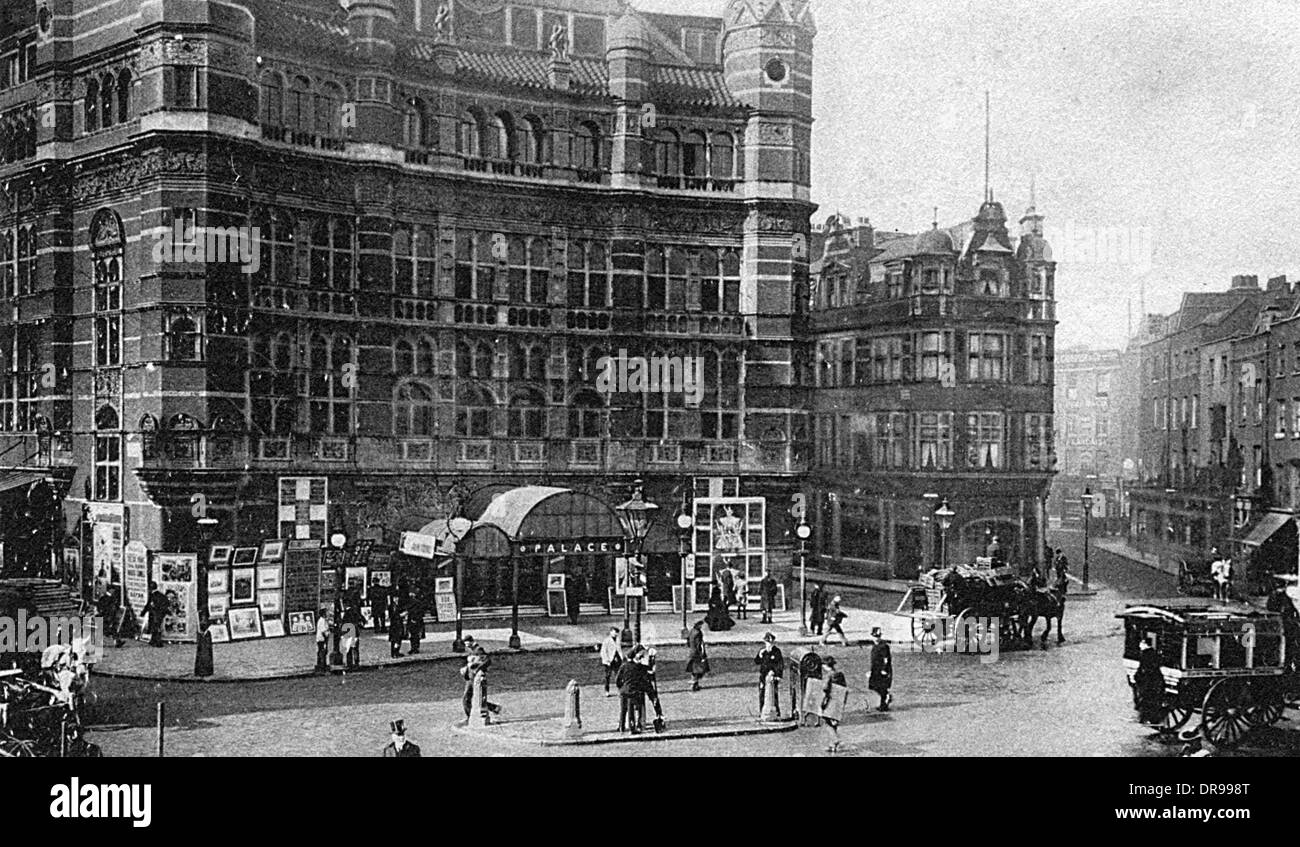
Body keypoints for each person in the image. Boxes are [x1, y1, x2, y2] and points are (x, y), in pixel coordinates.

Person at [460, 635, 503, 720]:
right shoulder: (472, 650)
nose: (467, 647)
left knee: (467, 699)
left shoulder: (478, 650)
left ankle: (470, 717)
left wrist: (477, 669)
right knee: (474, 698)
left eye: (468, 644)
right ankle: (493, 707)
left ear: (472, 642)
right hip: (470, 678)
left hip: (475, 678)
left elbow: (487, 661)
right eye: (466, 645)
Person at [1133, 638, 1166, 726]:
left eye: (1141, 643)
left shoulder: (1146, 654)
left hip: (1150, 682)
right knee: (1148, 699)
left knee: (1148, 699)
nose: (1140, 645)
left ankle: (1148, 718)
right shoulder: (1150, 654)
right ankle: (1146, 718)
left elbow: (1146, 669)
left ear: (1145, 644)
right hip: (1151, 681)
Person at [615, 645, 647, 734]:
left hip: (623, 691)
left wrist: (621, 687)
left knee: (623, 709)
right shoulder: (636, 667)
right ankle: (632, 728)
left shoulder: (623, 666)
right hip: (632, 691)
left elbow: (617, 680)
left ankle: (621, 726)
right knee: (631, 710)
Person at [820, 655, 848, 753]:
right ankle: (832, 745)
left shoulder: (828, 675)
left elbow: (825, 688)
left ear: (825, 666)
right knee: (834, 722)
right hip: (839, 701)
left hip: (829, 701)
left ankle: (835, 740)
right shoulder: (840, 674)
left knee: (827, 721)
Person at [754, 632, 784, 717]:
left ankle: (777, 713)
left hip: (772, 677)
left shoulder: (776, 652)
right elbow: (757, 662)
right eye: (767, 643)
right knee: (762, 693)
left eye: (770, 643)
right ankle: (762, 712)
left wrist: (778, 675)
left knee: (774, 694)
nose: (769, 644)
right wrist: (759, 655)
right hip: (763, 676)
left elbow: (780, 664)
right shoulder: (763, 652)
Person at [640, 645, 665, 732]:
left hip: (649, 680)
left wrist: (652, 669)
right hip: (643, 680)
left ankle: (659, 715)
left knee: (654, 698)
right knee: (640, 701)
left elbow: (653, 668)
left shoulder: (650, 656)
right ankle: (641, 720)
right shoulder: (641, 654)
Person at [868, 626, 892, 711]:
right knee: (873, 686)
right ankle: (886, 697)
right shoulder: (875, 645)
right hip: (875, 670)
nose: (876, 639)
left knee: (881, 686)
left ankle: (884, 705)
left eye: (878, 637)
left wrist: (884, 669)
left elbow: (886, 659)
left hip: (882, 670)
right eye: (875, 637)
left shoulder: (884, 646)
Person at [141, 581, 169, 647]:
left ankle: (158, 642)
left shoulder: (152, 596)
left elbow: (148, 605)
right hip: (160, 614)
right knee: (156, 627)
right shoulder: (161, 595)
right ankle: (153, 640)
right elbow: (166, 603)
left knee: (155, 628)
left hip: (154, 614)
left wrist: (143, 613)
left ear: (150, 589)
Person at [686, 619, 709, 691]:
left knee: (693, 669)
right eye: (700, 625)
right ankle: (694, 684)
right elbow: (700, 645)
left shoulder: (691, 631)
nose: (701, 626)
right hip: (697, 653)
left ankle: (694, 683)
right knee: (699, 669)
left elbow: (688, 642)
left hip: (692, 652)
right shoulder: (698, 633)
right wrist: (703, 655)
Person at [600, 626, 622, 697]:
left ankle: (619, 690)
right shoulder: (606, 640)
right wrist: (607, 660)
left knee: (618, 676)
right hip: (609, 660)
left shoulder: (618, 640)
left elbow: (619, 649)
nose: (616, 634)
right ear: (611, 632)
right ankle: (607, 690)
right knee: (607, 676)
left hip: (617, 660)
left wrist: (621, 658)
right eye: (614, 632)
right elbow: (603, 651)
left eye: (617, 633)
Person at [406, 589, 425, 654]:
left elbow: (416, 612)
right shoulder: (416, 602)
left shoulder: (413, 602)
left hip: (414, 620)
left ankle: (414, 648)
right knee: (414, 635)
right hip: (415, 620)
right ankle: (415, 648)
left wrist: (414, 619)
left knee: (414, 635)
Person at [315, 606, 332, 671]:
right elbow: (323, 631)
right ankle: (322, 665)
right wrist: (325, 639)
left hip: (322, 638)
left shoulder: (323, 620)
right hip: (322, 639)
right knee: (322, 651)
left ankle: (321, 664)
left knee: (322, 651)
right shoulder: (322, 621)